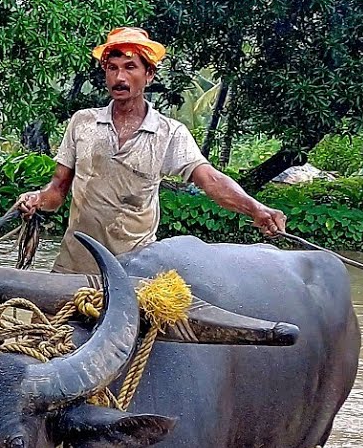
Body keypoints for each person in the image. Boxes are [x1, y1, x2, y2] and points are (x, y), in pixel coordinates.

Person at [15, 27, 287, 274]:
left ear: (149, 75)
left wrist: (256, 209)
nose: (119, 77)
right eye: (112, 68)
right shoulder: (83, 122)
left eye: (130, 67)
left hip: (134, 271)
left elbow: (211, 180)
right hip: (74, 266)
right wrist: (36, 199)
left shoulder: (169, 133)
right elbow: (57, 191)